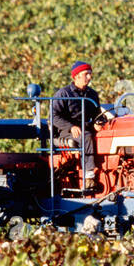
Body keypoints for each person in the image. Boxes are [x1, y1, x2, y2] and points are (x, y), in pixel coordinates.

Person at [51, 61, 109, 191]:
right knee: (86, 136)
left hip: (86, 128)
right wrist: (70, 126)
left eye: (90, 74)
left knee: (103, 135)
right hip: (67, 131)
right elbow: (54, 116)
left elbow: (97, 114)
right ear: (76, 76)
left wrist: (98, 123)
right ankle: (89, 176)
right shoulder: (63, 94)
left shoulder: (92, 94)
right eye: (86, 74)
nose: (89, 77)